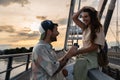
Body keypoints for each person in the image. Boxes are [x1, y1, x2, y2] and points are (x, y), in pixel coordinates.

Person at [72, 6, 105, 80]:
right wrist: (83, 8)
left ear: (92, 17)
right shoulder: (85, 28)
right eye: (82, 17)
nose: (83, 19)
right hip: (84, 57)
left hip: (92, 58)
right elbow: (74, 18)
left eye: (86, 16)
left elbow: (94, 47)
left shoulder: (98, 28)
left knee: (80, 66)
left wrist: (77, 52)